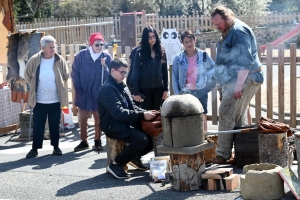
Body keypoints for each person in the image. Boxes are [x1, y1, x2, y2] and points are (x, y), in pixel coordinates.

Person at [210, 4, 264, 164]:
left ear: (228, 18)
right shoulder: (228, 31)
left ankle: (222, 154)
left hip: (247, 78)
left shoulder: (239, 31)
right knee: (237, 117)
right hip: (236, 80)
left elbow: (245, 61)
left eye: (219, 23)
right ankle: (242, 154)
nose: (217, 27)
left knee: (226, 111)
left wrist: (238, 86)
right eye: (215, 24)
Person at [98, 58, 157, 179]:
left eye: (126, 72)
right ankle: (115, 164)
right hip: (113, 125)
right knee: (142, 139)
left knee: (153, 135)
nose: (125, 75)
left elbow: (132, 106)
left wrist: (146, 112)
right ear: (113, 71)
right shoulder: (107, 89)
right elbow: (118, 113)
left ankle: (134, 157)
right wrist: (142, 115)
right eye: (122, 72)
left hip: (124, 122)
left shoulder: (121, 85)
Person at [24, 35, 69, 158]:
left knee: (55, 125)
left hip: (55, 100)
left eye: (54, 47)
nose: (53, 49)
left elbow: (66, 75)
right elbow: (27, 75)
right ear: (42, 47)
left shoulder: (59, 60)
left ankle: (56, 147)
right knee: (38, 125)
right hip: (39, 100)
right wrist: (33, 85)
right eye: (50, 47)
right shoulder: (34, 60)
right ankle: (35, 149)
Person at [72, 32, 112, 152]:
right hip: (84, 92)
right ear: (91, 44)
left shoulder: (106, 57)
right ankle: (84, 141)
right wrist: (78, 89)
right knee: (83, 117)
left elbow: (111, 76)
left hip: (98, 93)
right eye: (97, 44)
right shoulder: (81, 56)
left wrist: (105, 67)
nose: (100, 47)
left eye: (102, 44)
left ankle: (97, 140)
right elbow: (74, 73)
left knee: (98, 118)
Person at [172, 30, 216, 132]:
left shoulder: (204, 55)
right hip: (185, 92)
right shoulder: (178, 58)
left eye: (190, 41)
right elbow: (174, 76)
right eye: (186, 42)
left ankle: (205, 138)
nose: (189, 44)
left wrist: (207, 87)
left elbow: (214, 70)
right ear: (182, 43)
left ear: (195, 40)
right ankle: (190, 139)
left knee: (202, 116)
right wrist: (177, 94)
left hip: (201, 90)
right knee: (187, 117)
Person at [132, 26, 168, 110]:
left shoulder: (161, 51)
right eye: (149, 37)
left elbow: (165, 72)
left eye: (154, 36)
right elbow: (135, 73)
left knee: (157, 114)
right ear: (145, 38)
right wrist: (136, 92)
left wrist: (166, 89)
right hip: (144, 89)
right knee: (147, 114)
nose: (152, 39)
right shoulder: (139, 52)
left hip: (158, 88)